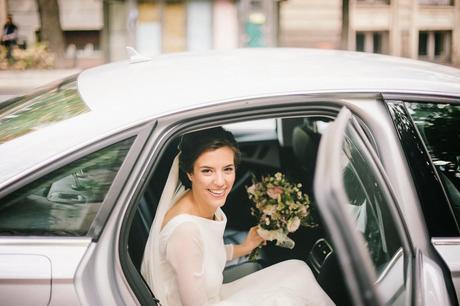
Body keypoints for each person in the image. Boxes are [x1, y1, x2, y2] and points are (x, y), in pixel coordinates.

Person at [141, 127, 335, 306]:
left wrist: (244, 247)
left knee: (297, 270)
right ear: (190, 173)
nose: (220, 182)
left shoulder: (203, 202)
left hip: (213, 295)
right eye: (207, 171)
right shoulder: (184, 231)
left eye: (227, 169)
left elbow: (206, 254)